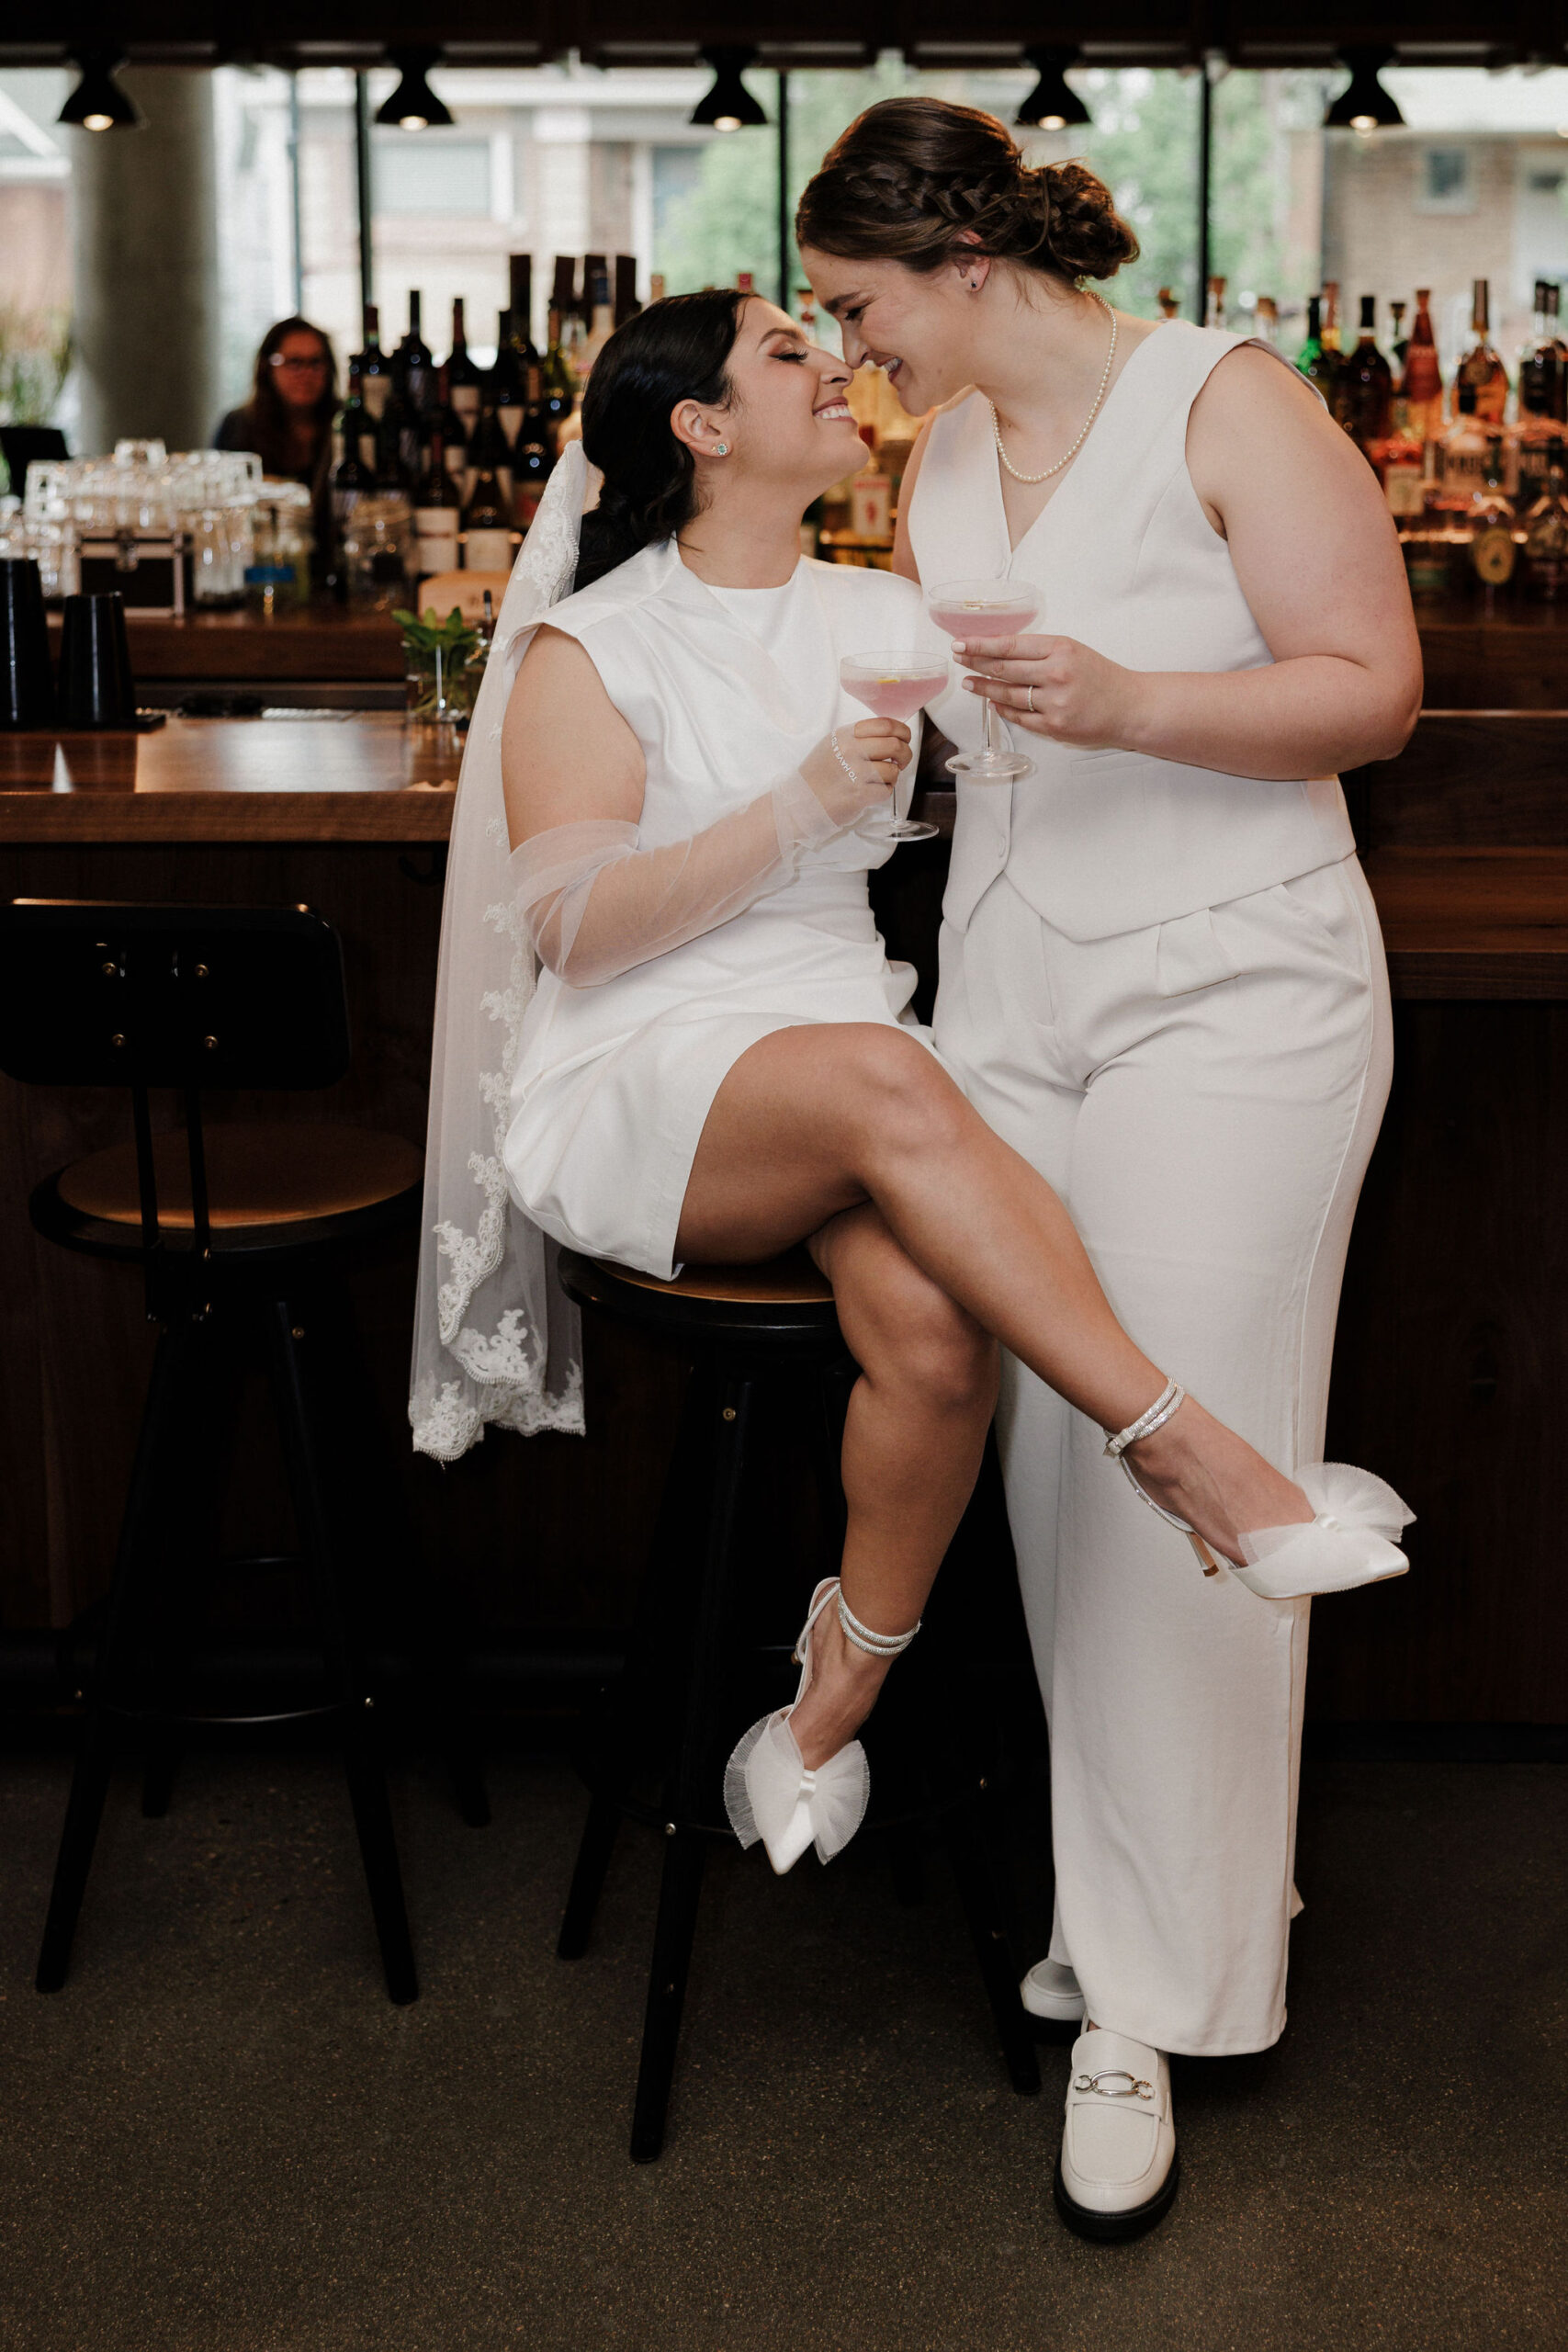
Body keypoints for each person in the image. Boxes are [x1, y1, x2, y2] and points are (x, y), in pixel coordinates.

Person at [411, 288, 1409, 2228]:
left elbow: (1080, 687)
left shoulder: (879, 615)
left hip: (844, 1070)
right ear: (699, 428)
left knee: (942, 1337)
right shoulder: (582, 647)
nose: (840, 372)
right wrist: (794, 808)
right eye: (793, 355)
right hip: (646, 1084)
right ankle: (1195, 1452)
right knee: (892, 1071)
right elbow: (578, 933)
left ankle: (814, 1713)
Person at [795, 97, 1423, 2239]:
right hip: (1009, 1002)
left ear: (963, 253)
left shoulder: (1224, 396)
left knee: (1184, 1458)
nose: (845, 351)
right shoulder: (941, 449)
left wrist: (1133, 698)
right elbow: (972, 725)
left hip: (1233, 992)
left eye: (858, 304)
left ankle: (1142, 2007)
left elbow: (1373, 689)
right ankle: (1150, 1895)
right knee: (1065, 1478)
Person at [214, 316, 337, 551]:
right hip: (260, 558)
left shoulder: (345, 426)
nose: (306, 373)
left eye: (316, 363)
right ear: (267, 367)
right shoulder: (239, 425)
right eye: (294, 363)